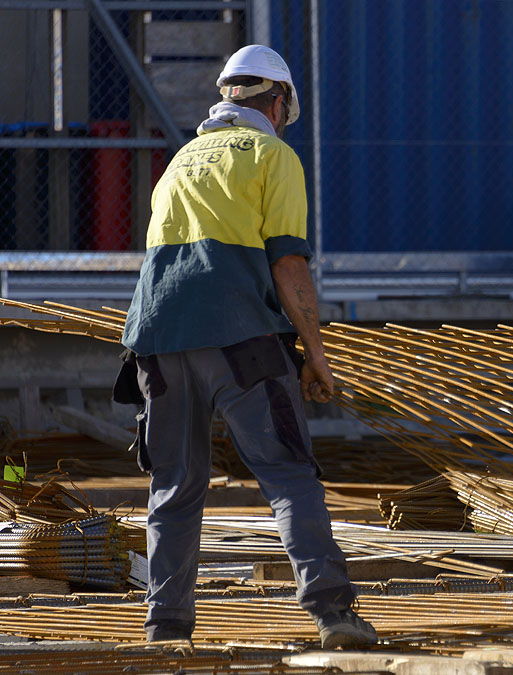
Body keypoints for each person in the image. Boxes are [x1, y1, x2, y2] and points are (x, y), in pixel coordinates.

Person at [116, 45, 377, 649]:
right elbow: (288, 265)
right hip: (241, 339)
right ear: (278, 102)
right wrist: (315, 353)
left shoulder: (179, 160)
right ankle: (332, 612)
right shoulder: (272, 155)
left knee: (174, 486)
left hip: (156, 340)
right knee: (288, 472)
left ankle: (166, 626)